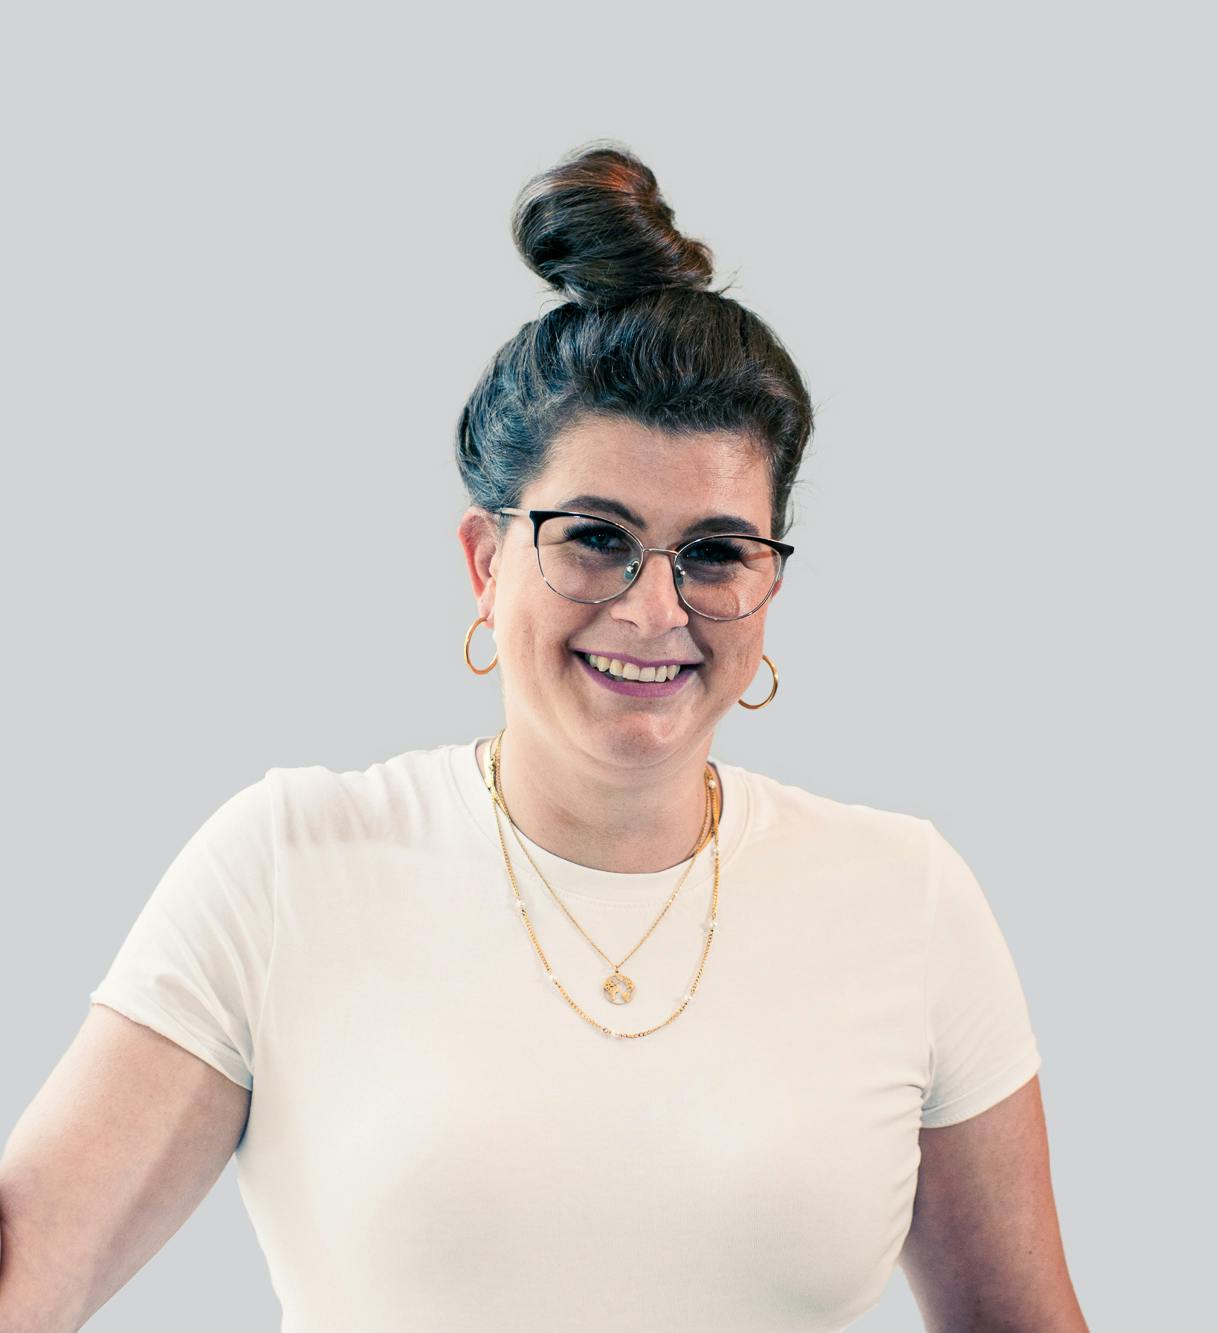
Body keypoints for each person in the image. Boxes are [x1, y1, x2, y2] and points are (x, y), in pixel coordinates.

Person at [0, 141, 1088, 1332]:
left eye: (715, 552)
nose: (654, 608)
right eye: (594, 538)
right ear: (485, 561)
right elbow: (31, 1267)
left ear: (769, 582)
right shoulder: (287, 867)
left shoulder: (906, 896)